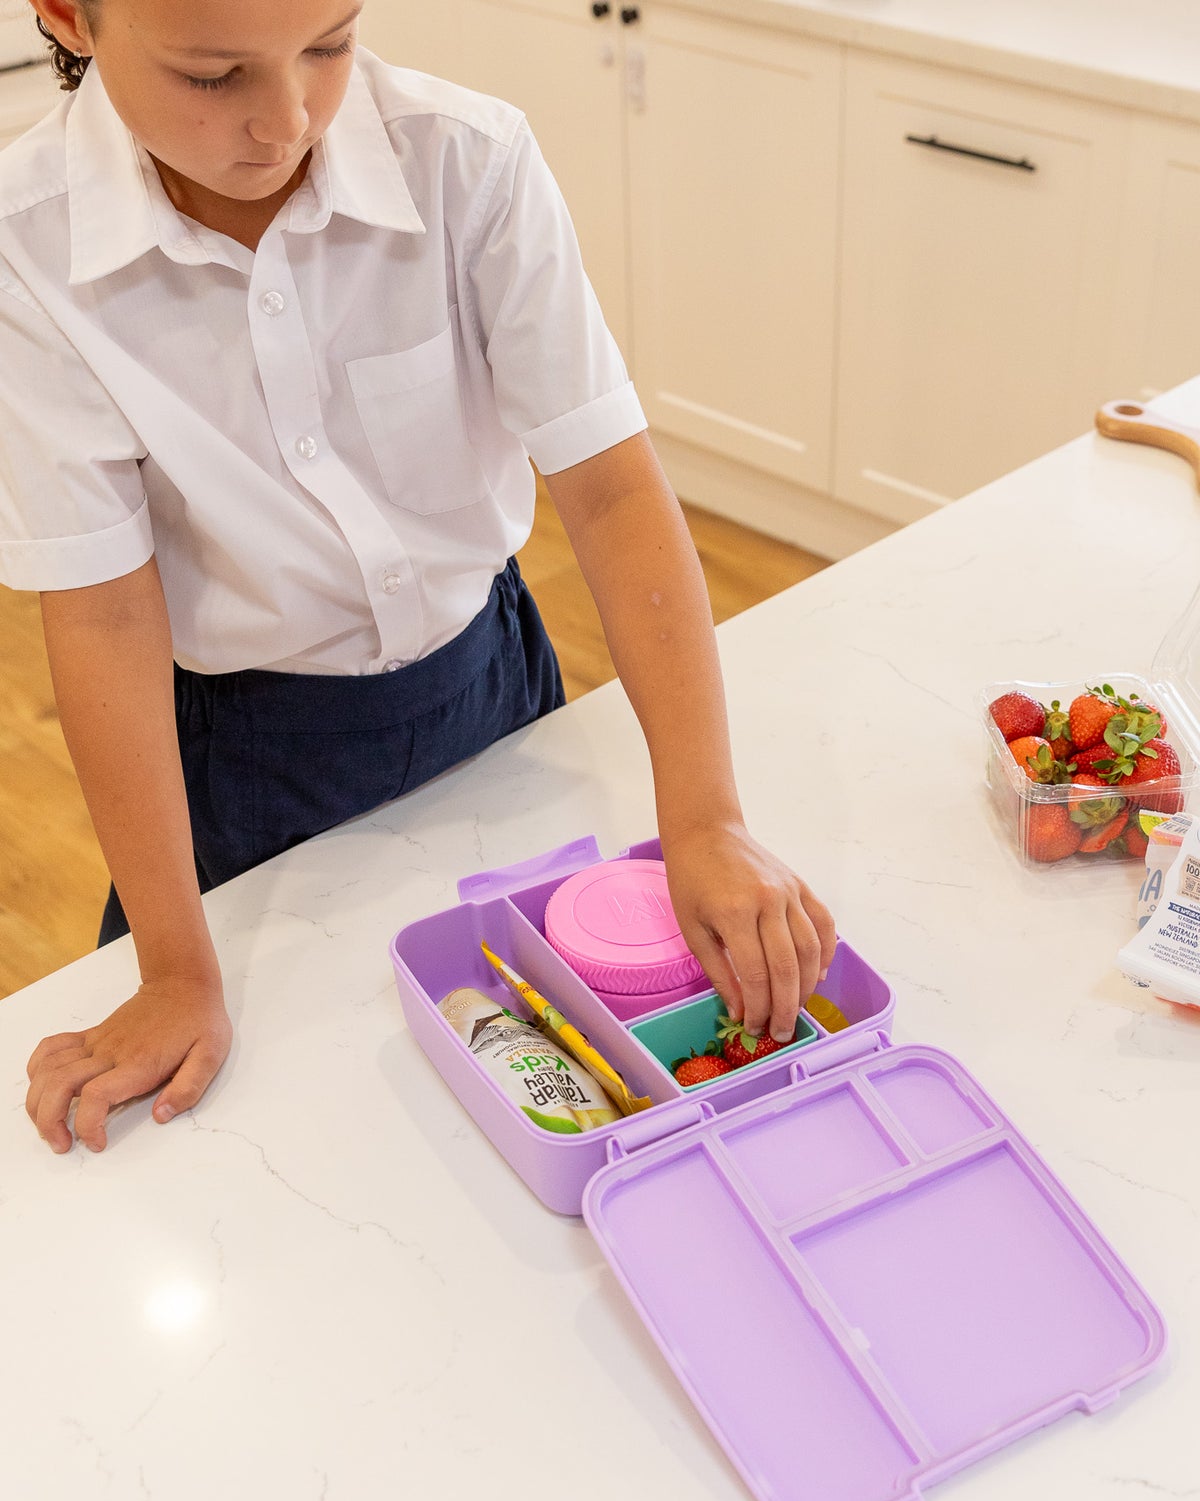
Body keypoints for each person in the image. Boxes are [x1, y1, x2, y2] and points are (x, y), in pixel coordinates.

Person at [3, 0, 836, 1155]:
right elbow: (102, 614)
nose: (288, 121)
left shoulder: (465, 159)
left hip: (492, 688)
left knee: (540, 1074)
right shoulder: (27, 247)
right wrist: (176, 971)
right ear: (68, 16)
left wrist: (705, 817)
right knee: (312, 1130)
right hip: (241, 759)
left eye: (330, 44)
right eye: (213, 76)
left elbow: (611, 494)